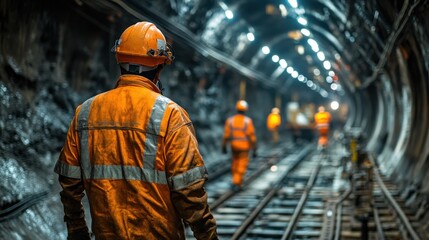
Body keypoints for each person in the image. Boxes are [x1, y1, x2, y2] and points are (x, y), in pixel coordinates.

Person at [54, 21, 218, 240]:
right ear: (160, 67)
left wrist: (77, 230)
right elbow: (188, 192)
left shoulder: (86, 112)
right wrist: (207, 235)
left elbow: (69, 182)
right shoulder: (171, 115)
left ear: (119, 60)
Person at [222, 100, 257, 191]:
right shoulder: (247, 121)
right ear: (245, 110)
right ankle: (236, 183)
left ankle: (236, 180)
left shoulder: (230, 120)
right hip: (244, 147)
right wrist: (254, 149)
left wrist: (224, 146)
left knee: (235, 163)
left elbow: (226, 136)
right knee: (242, 164)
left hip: (234, 146)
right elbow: (252, 137)